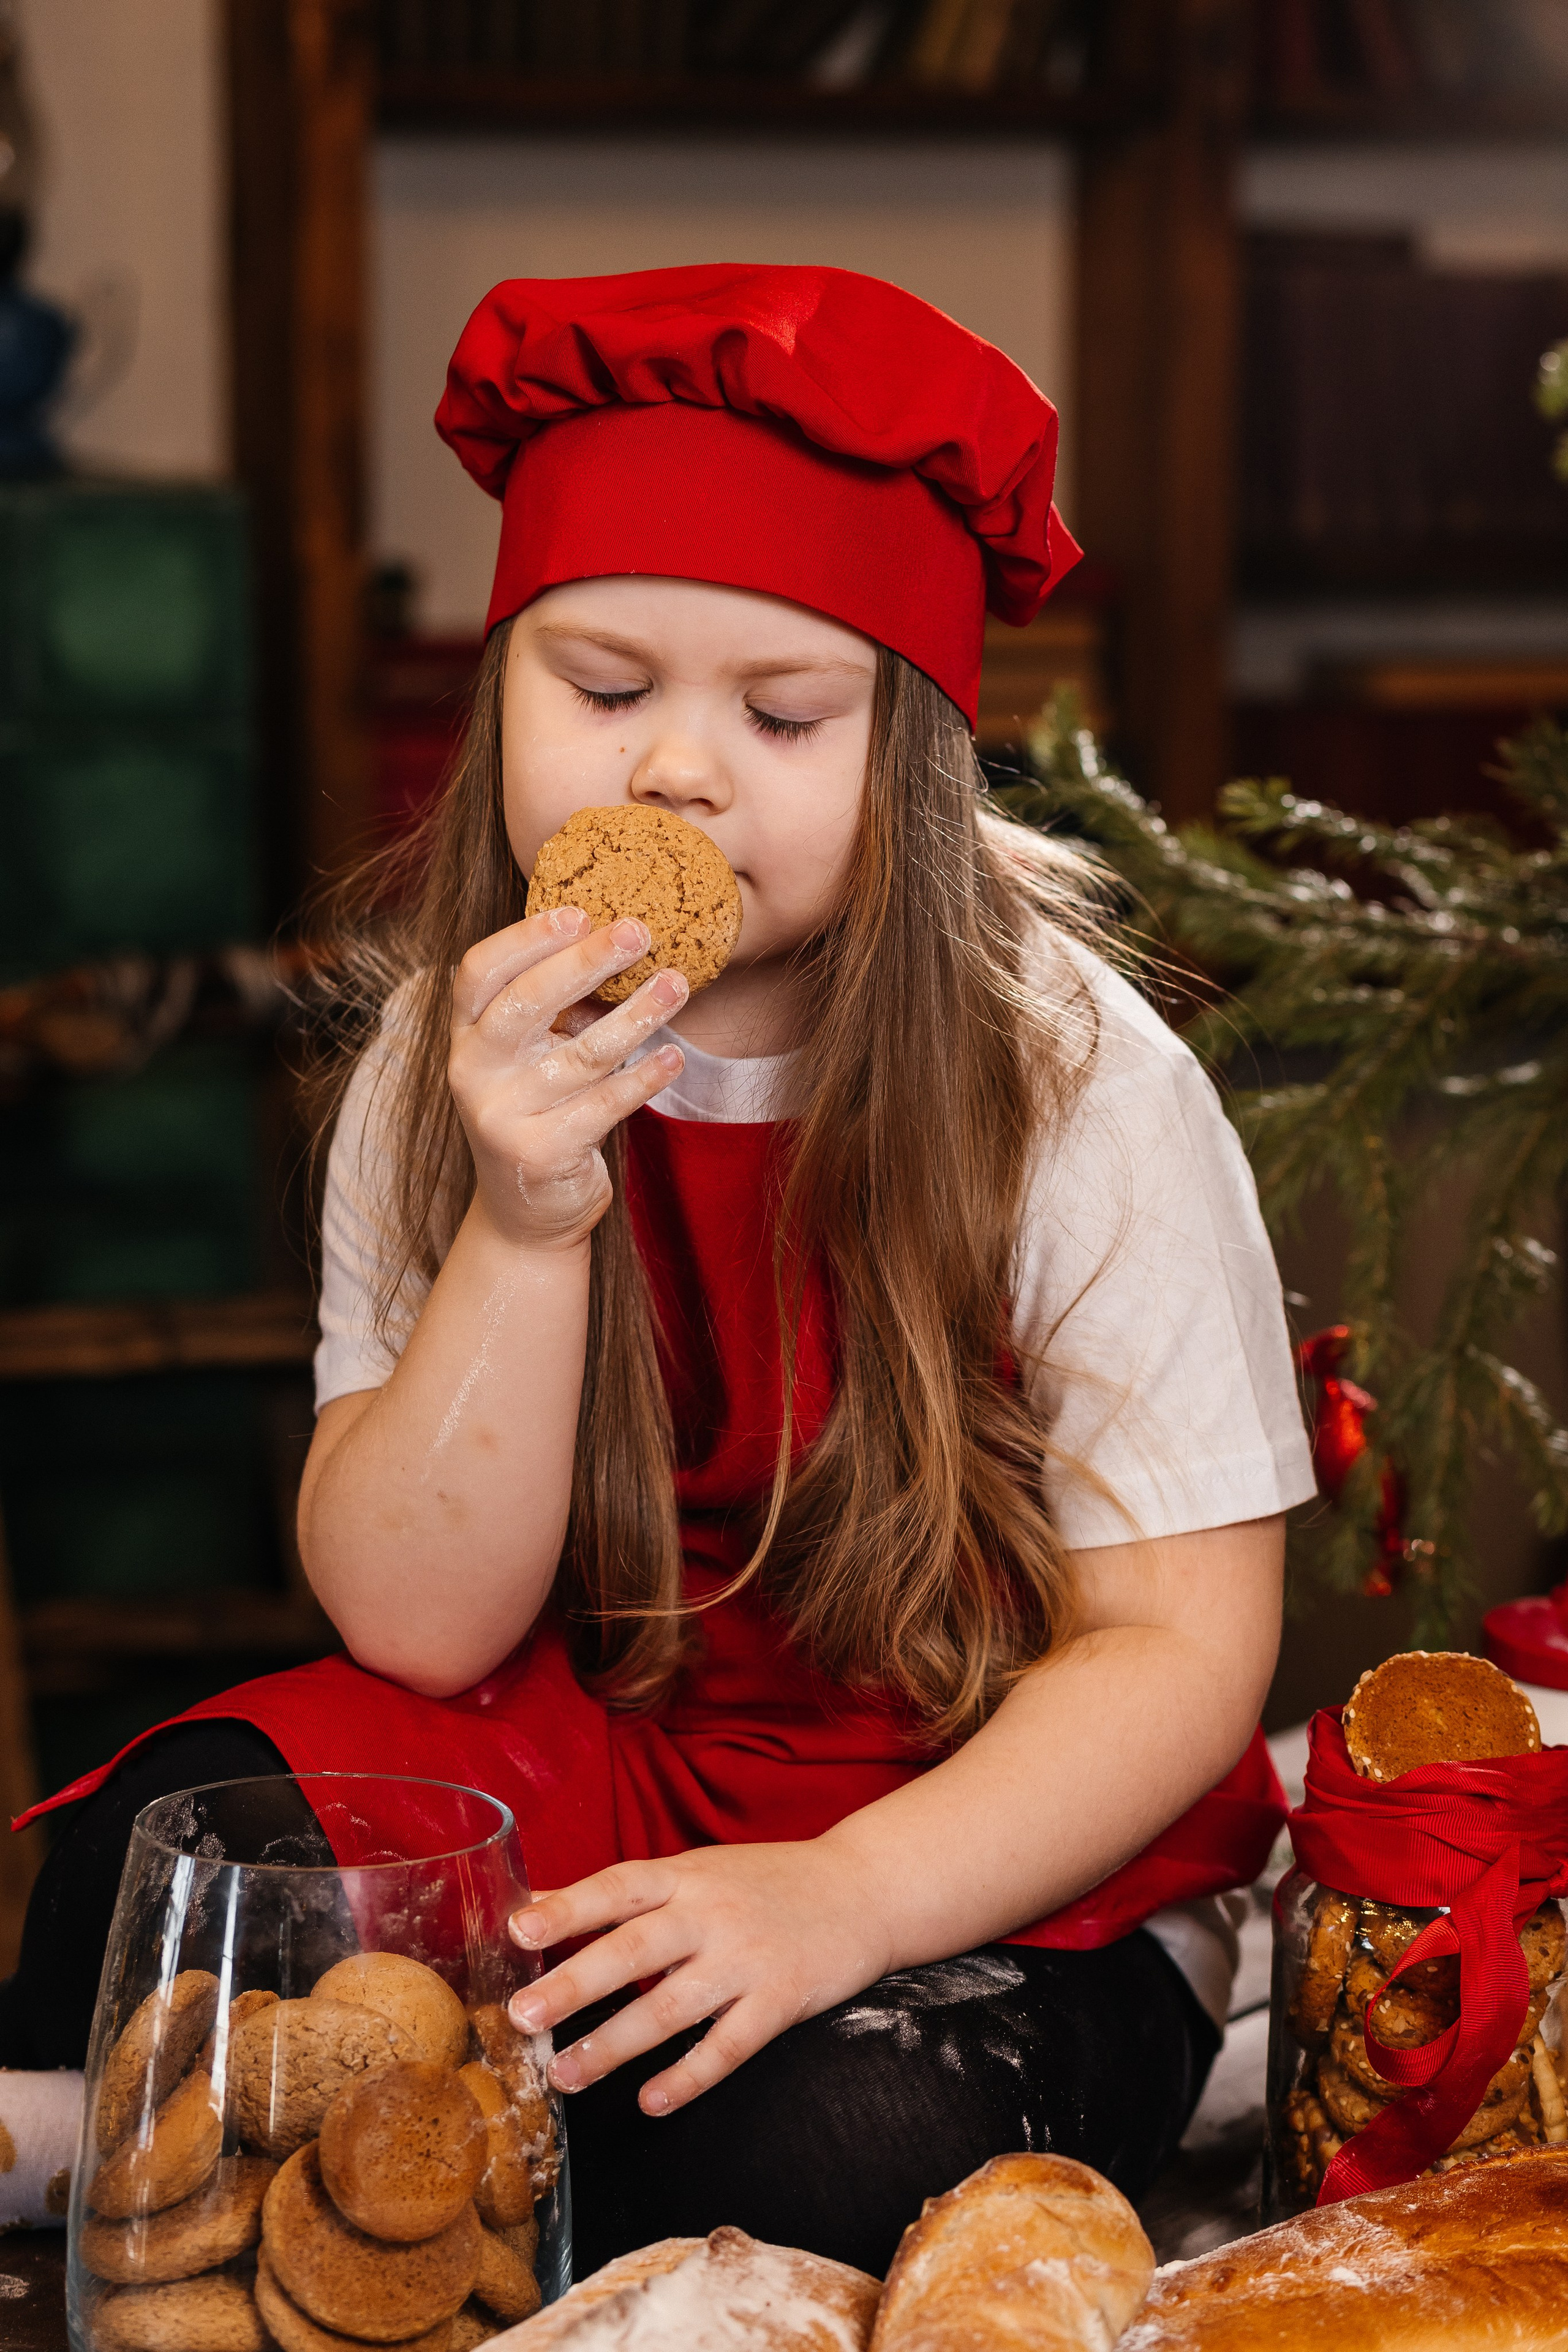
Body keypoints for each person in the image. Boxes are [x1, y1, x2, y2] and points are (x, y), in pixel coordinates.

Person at [1, 266, 1315, 2274]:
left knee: (821, 2136)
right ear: (497, 686)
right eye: (603, 689)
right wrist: (527, 1217)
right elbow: (424, 1633)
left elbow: (1181, 1658)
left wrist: (847, 1899)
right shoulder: (444, 1062)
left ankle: (270, 2166)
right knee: (156, 1859)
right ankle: (285, 2152)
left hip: (984, 1824)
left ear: (920, 759)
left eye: (782, 715)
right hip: (605, 1741)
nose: (674, 777)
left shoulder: (1074, 1089)